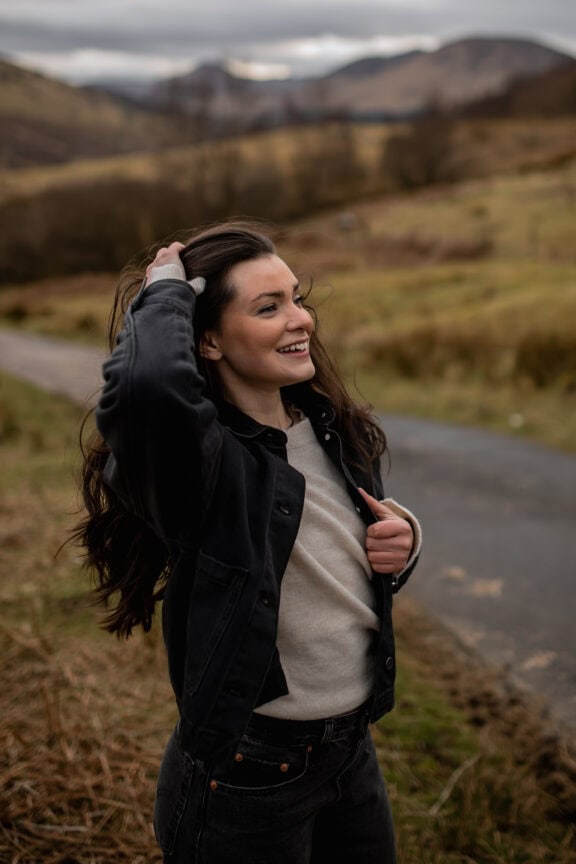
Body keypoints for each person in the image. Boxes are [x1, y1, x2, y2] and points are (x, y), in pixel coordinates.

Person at [77, 222, 422, 863]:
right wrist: (164, 296)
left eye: (298, 298)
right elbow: (150, 387)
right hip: (252, 772)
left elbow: (333, 547)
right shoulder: (200, 465)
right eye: (269, 308)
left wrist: (402, 540)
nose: (301, 321)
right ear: (206, 340)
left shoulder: (329, 426)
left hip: (351, 751)